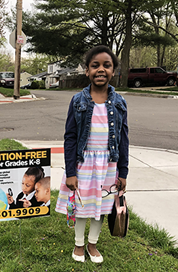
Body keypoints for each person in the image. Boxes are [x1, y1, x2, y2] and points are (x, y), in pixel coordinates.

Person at [55, 45, 129, 263]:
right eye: (95, 65)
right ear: (87, 70)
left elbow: (123, 139)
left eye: (107, 65)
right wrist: (71, 171)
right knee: (82, 206)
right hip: (83, 163)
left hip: (108, 165)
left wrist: (123, 171)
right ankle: (79, 244)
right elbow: (69, 137)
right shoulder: (78, 101)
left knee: (102, 207)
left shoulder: (120, 103)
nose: (100, 69)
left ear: (113, 71)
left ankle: (93, 244)